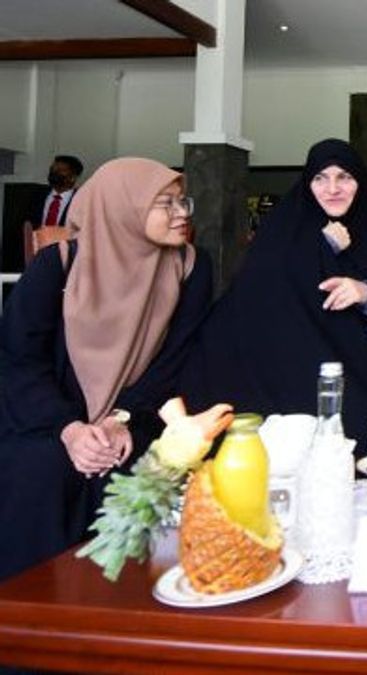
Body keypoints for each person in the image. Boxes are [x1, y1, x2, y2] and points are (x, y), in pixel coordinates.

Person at [0, 158, 212, 580]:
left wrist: (122, 421)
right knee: (41, 471)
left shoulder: (189, 267)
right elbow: (19, 360)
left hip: (139, 414)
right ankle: (29, 619)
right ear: (124, 208)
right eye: (165, 204)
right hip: (47, 418)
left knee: (148, 474)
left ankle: (131, 618)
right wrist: (70, 428)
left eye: (181, 202)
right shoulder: (57, 266)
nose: (181, 214)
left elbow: (178, 359)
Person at [182, 139, 367, 455]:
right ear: (307, 183)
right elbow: (257, 290)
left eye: (344, 177)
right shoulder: (285, 226)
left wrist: (366, 292)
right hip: (293, 364)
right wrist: (321, 248)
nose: (332, 188)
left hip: (358, 367)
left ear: (359, 182)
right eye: (320, 178)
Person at [24, 155, 84, 229]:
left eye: (60, 170)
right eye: (52, 169)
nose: (54, 173)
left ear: (73, 177)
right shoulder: (36, 196)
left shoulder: (83, 202)